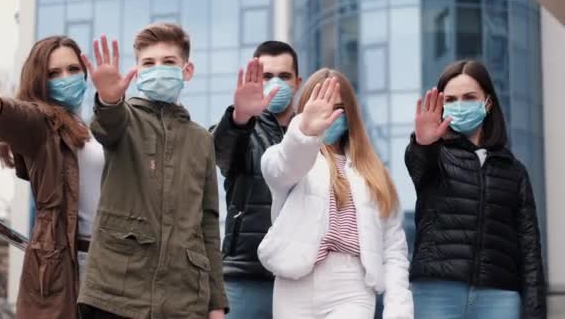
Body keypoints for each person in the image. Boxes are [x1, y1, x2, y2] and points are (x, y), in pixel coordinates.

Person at [76, 23, 228, 319]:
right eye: (148, 62)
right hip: (114, 293)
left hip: (184, 301)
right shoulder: (124, 119)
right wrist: (108, 100)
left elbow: (209, 223)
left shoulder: (201, 140)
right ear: (137, 71)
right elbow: (107, 126)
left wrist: (216, 303)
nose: (158, 68)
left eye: (168, 62)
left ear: (187, 70)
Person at [0, 35, 104, 319]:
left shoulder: (91, 129)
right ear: (40, 81)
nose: (67, 77)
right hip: (69, 260)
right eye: (54, 73)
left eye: (73, 69)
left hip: (112, 257)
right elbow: (20, 119)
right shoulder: (42, 124)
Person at [258, 69, 413, 319]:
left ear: (350, 113)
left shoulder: (375, 173)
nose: (329, 116)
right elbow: (284, 167)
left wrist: (399, 311)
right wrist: (305, 132)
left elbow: (393, 249)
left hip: (352, 285)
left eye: (338, 107)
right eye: (320, 106)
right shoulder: (286, 157)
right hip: (294, 281)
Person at [405, 60, 546, 318]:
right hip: (436, 293)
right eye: (451, 99)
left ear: (488, 103)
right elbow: (418, 165)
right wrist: (423, 143)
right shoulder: (435, 157)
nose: (460, 105)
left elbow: (529, 249)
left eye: (469, 97)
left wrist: (535, 311)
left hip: (500, 297)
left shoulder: (514, 171)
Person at [210, 41, 301, 319]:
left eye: (284, 76)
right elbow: (221, 149)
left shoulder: (310, 134)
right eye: (266, 76)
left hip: (303, 282)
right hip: (246, 276)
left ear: (298, 82)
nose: (276, 82)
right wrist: (240, 117)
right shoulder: (241, 129)